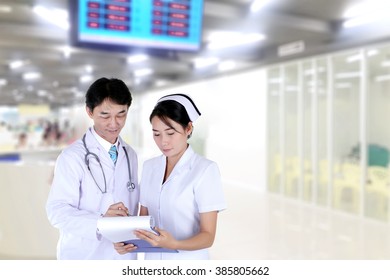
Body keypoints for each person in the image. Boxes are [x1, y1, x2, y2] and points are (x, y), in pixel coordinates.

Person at [114, 93, 227, 260]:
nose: (163, 142)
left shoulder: (205, 170)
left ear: (188, 128)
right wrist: (125, 240)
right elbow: (143, 220)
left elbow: (208, 236)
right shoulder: (149, 167)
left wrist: (174, 244)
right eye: (157, 134)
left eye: (170, 133)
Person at [46, 77, 139, 260]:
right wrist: (101, 222)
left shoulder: (130, 155)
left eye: (121, 114)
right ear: (89, 111)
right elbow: (57, 211)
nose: (114, 123)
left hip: (123, 257)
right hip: (84, 256)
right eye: (105, 115)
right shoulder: (72, 157)